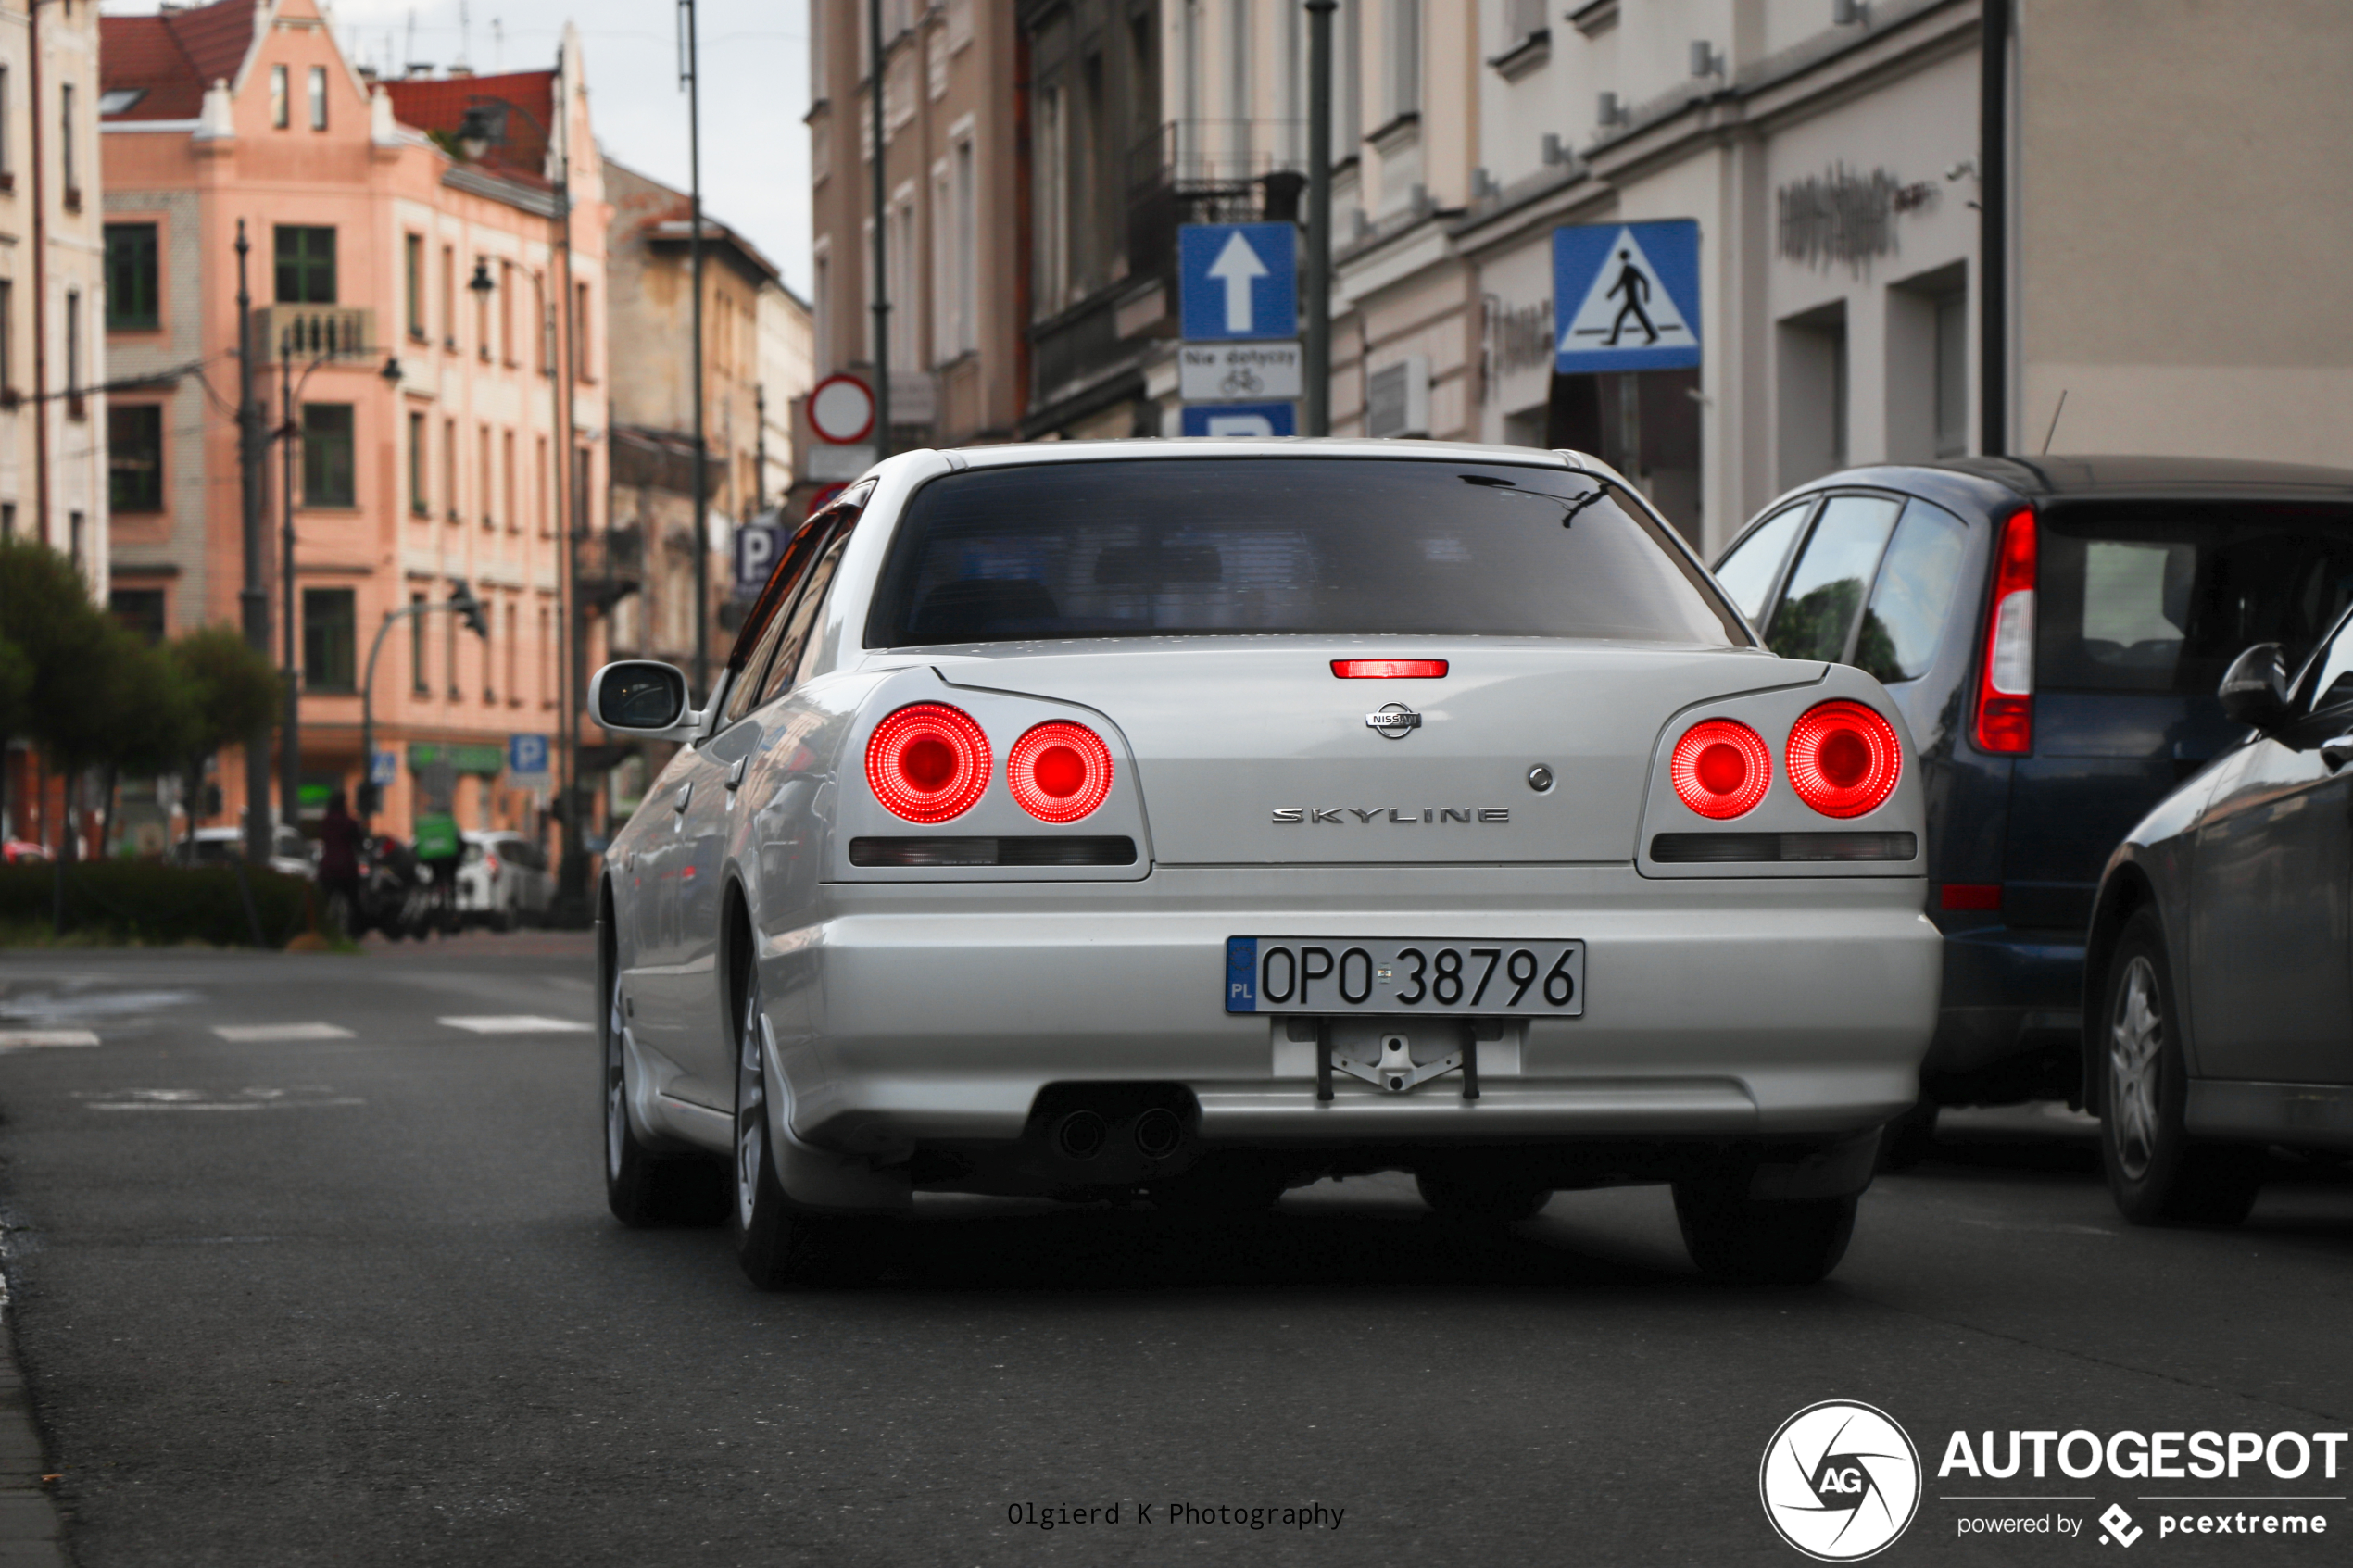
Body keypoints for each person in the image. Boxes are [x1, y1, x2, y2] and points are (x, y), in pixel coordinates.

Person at [318, 791, 362, 938]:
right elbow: (359, 843)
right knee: (354, 903)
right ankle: (354, 934)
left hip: (328, 867)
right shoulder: (350, 822)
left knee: (323, 902)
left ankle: (322, 930)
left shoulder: (325, 822)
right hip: (347, 868)